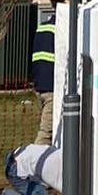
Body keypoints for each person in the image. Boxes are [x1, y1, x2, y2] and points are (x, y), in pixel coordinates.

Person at [32, 15, 59, 143]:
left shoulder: (42, 27)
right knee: (46, 132)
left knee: (51, 128)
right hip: (52, 89)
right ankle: (38, 160)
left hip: (40, 85)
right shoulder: (61, 29)